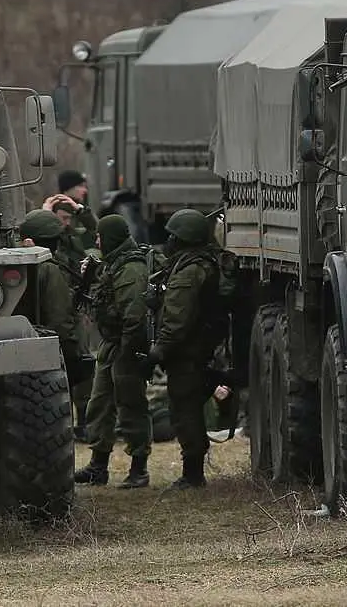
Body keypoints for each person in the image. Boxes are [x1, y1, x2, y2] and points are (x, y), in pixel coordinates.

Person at [73, 215, 153, 488]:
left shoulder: (130, 269)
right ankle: (98, 467)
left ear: (111, 238)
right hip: (112, 345)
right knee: (99, 405)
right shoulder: (113, 264)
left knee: (131, 406)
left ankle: (139, 468)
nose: (97, 241)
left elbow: (135, 316)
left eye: (99, 237)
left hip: (127, 346)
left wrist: (129, 355)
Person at [147, 208, 220, 489]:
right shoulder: (194, 264)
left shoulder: (189, 271)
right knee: (185, 407)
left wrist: (160, 350)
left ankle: (193, 473)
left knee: (184, 409)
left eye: (173, 236)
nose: (169, 241)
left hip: (188, 352)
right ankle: (193, 470)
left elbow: (177, 317)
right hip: (194, 349)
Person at [15, 210, 88, 435]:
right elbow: (60, 321)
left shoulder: (14, 264)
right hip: (47, 359)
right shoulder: (48, 269)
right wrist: (73, 356)